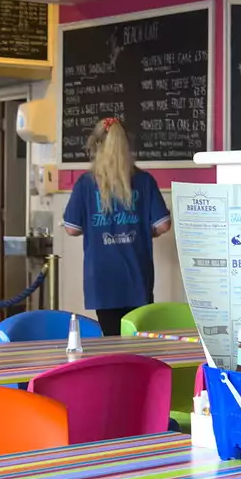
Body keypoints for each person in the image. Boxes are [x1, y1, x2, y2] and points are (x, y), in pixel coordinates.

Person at [62, 118, 171, 335]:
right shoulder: (144, 181)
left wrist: (95, 230)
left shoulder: (86, 183)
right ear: (128, 146)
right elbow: (163, 225)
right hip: (137, 276)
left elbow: (72, 228)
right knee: (136, 339)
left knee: (111, 338)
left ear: (97, 146)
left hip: (102, 277)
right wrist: (141, 232)